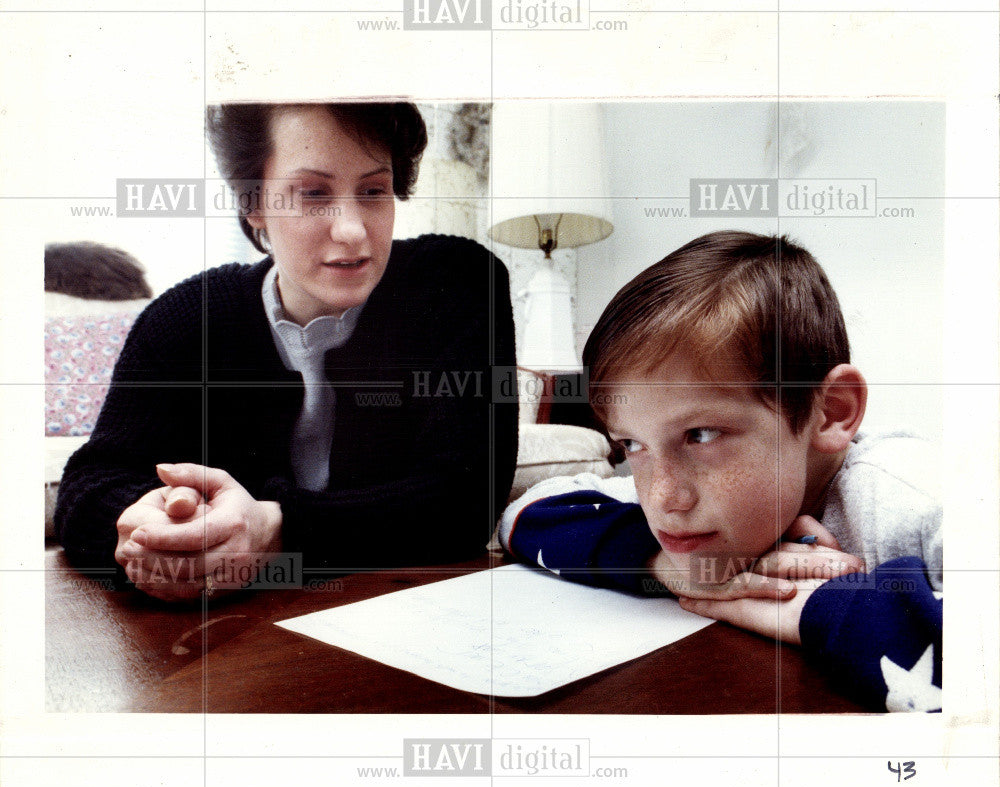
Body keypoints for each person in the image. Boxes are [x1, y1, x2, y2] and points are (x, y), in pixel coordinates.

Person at [55, 102, 517, 601]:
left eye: (373, 191)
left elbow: (467, 499)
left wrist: (273, 531)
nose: (353, 230)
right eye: (313, 194)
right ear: (253, 204)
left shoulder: (459, 285)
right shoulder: (186, 317)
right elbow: (89, 481)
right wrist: (151, 524)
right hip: (226, 639)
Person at [499, 231, 941, 711]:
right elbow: (523, 512)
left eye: (702, 435)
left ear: (830, 411)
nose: (664, 498)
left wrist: (818, 607)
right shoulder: (683, 499)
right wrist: (660, 564)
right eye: (632, 444)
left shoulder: (913, 497)